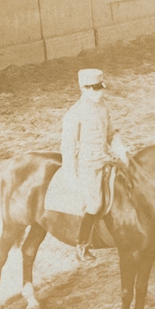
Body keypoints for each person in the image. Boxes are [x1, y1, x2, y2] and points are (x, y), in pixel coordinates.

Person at [61, 68, 129, 262]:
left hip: (106, 158)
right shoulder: (74, 114)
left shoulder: (103, 108)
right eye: (95, 88)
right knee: (95, 203)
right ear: (84, 89)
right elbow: (67, 147)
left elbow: (110, 134)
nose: (100, 92)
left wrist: (121, 150)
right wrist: (71, 176)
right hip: (88, 164)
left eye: (101, 87)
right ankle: (82, 245)